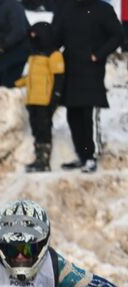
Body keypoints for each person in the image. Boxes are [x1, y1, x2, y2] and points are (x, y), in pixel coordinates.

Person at [50, 0, 121, 173]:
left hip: (91, 70)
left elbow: (117, 36)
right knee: (73, 114)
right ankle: (82, 155)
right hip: (70, 68)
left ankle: (91, 157)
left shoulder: (103, 9)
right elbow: (55, 37)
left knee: (88, 114)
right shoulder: (65, 8)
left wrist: (98, 55)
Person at [18, 23, 63, 174]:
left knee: (44, 129)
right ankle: (38, 157)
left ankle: (44, 160)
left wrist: (55, 97)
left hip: (45, 100)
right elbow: (31, 77)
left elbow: (59, 78)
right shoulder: (33, 56)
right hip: (32, 100)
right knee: (36, 129)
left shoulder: (54, 55)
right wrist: (17, 83)